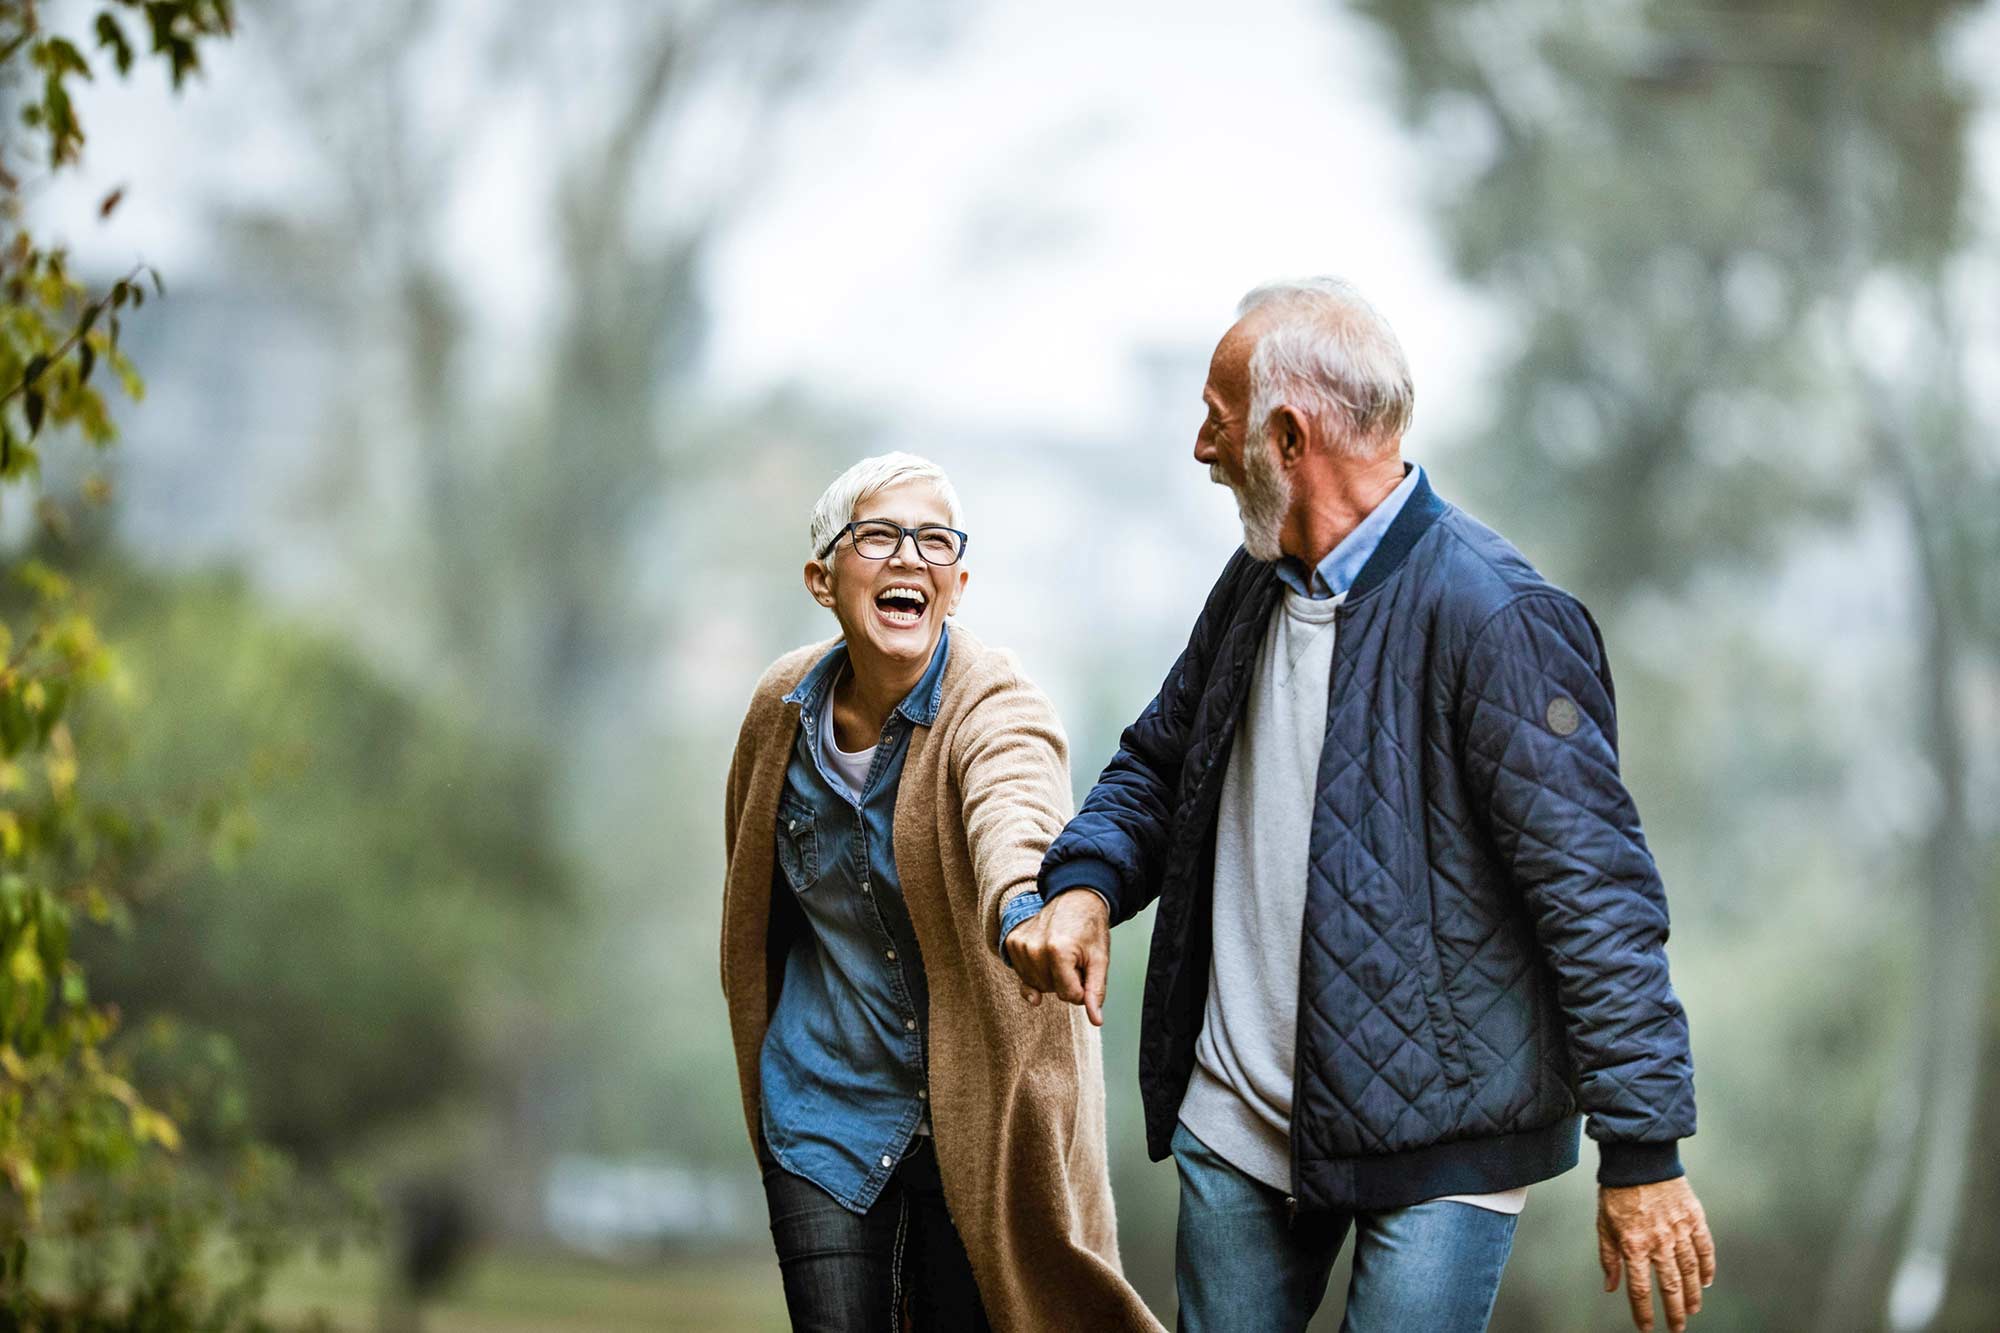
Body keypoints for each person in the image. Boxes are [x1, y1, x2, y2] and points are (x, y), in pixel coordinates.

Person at [1006, 279, 1718, 1333]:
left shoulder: (1498, 617)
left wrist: (1643, 1151)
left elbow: (1595, 898)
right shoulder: (1252, 584)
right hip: (1237, 1124)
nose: (1200, 449)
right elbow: (1159, 763)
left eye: (1214, 418)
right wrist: (1083, 885)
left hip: (1443, 1145)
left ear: (1286, 436)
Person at [719, 452, 1161, 1332]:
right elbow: (751, 894)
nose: (908, 557)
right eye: (878, 535)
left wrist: (1025, 909)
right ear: (822, 578)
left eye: (933, 541)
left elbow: (1017, 808)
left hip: (977, 1119)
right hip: (821, 1104)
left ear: (957, 583)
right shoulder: (780, 711)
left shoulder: (993, 700)